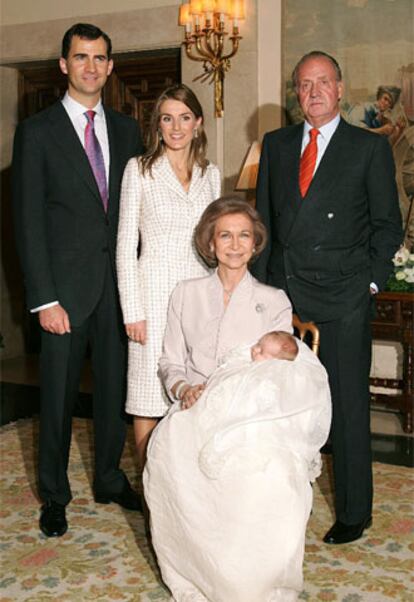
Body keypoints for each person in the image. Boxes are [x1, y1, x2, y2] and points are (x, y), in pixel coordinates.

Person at [144, 198, 330, 600]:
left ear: (255, 243)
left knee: (267, 474)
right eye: (224, 235)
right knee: (168, 457)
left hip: (251, 416)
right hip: (195, 408)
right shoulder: (185, 294)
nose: (234, 244)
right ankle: (200, 570)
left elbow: (281, 374)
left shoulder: (274, 299)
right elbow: (170, 361)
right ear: (210, 244)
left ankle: (251, 579)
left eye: (243, 235)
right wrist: (182, 389)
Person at [252, 50, 402, 545]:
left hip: (344, 296)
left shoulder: (367, 148)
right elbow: (266, 224)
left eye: (323, 82)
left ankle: (355, 512)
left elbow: (387, 227)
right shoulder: (274, 145)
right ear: (296, 94)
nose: (313, 91)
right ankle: (278, 503)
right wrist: (262, 290)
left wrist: (371, 284)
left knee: (347, 408)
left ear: (340, 89)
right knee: (283, 405)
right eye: (304, 84)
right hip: (285, 295)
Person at [12, 23, 144, 538]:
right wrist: (44, 297)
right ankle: (54, 493)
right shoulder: (38, 132)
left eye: (100, 58)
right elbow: (27, 220)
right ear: (63, 65)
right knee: (58, 396)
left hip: (119, 289)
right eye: (81, 57)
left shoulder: (129, 130)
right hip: (63, 292)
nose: (91, 66)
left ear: (111, 67)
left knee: (114, 391)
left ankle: (109, 477)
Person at [116, 84, 221, 473]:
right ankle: (150, 494)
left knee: (194, 392)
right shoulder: (139, 170)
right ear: (157, 126)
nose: (176, 127)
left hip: (198, 298)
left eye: (184, 117)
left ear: (198, 123)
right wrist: (133, 311)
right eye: (167, 118)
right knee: (148, 397)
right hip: (152, 297)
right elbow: (126, 245)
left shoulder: (210, 175)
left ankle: (187, 486)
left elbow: (216, 242)